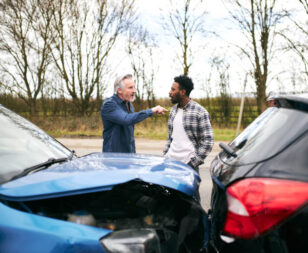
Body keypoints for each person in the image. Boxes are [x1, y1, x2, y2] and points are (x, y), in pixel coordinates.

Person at [101, 74, 167, 153]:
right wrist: (151, 111)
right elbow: (126, 119)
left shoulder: (129, 104)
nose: (134, 91)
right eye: (130, 88)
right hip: (113, 157)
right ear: (119, 90)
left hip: (129, 154)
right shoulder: (109, 105)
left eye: (134, 87)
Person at [163, 75, 214, 173]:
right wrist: (165, 155)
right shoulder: (173, 111)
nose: (170, 92)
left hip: (188, 167)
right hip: (170, 163)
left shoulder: (200, 112)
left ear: (183, 92)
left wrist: (192, 164)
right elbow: (170, 137)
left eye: (173, 89)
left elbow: (208, 141)